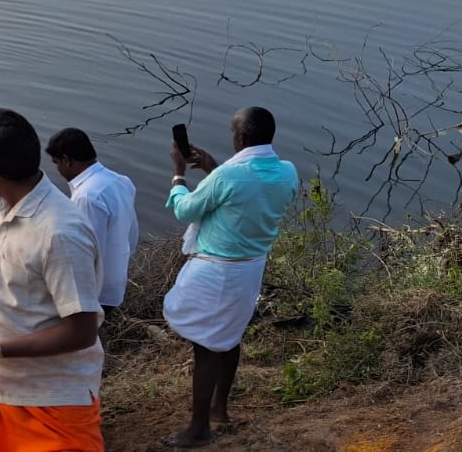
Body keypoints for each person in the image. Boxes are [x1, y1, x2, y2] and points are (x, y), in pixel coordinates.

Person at [0, 108, 106, 452]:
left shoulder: (60, 232)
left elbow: (81, 331)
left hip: (47, 398)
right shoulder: (6, 210)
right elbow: (8, 290)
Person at [162, 107, 298, 448]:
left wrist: (178, 175)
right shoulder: (287, 171)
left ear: (242, 137)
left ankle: (199, 429)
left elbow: (184, 210)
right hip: (250, 268)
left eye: (233, 132)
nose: (232, 136)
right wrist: (213, 168)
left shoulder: (227, 176)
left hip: (217, 272)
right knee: (230, 336)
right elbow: (248, 194)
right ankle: (219, 409)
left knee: (206, 346)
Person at [46, 128, 139, 315]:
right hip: (115, 282)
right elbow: (132, 232)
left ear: (66, 160)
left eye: (57, 163)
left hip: (94, 293)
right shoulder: (121, 181)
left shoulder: (87, 197)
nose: (58, 169)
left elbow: (84, 253)